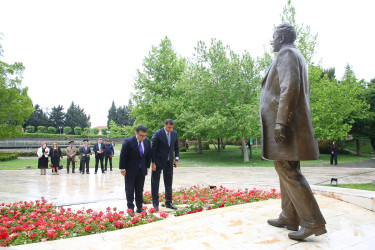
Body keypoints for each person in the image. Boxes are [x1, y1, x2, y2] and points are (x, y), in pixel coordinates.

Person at [259, 24, 326, 240]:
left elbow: (290, 87)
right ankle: (289, 216)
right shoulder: (294, 54)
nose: (272, 41)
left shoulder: (287, 53)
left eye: (274, 37)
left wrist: (281, 122)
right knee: (284, 167)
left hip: (286, 126)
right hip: (287, 125)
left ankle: (313, 222)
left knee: (288, 169)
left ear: (283, 37)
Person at [119, 125, 151, 213]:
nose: (143, 138)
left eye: (145, 136)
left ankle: (139, 207)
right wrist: (122, 168)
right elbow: (123, 155)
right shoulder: (128, 141)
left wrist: (147, 166)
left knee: (139, 189)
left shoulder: (147, 142)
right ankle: (130, 208)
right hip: (130, 170)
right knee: (130, 189)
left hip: (142, 170)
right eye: (141, 136)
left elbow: (148, 155)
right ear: (136, 133)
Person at [151, 119, 179, 211]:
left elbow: (176, 147)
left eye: (171, 127)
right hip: (158, 162)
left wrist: (176, 159)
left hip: (169, 162)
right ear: (165, 125)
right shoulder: (158, 134)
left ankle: (169, 202)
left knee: (168, 183)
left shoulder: (174, 133)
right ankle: (155, 204)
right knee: (155, 183)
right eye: (168, 127)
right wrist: (153, 162)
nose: (170, 129)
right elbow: (153, 149)